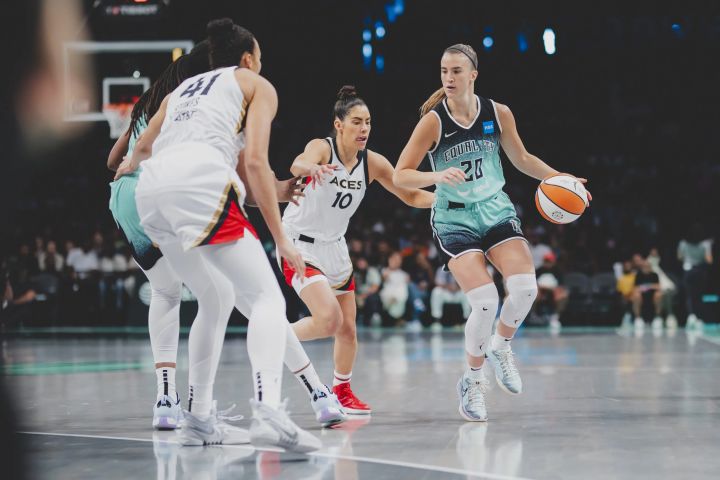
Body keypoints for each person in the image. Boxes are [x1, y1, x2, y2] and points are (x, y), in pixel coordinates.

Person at [108, 22, 343, 431]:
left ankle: (186, 409)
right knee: (264, 300)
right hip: (195, 186)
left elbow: (133, 151)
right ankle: (281, 403)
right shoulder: (250, 86)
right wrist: (281, 237)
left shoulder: (178, 94)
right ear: (248, 59)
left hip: (143, 192)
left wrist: (130, 164)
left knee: (204, 296)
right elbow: (251, 167)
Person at [393, 44, 591, 422]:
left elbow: (522, 159)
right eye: (443, 71)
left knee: (525, 290)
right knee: (485, 301)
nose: (448, 78)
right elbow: (402, 174)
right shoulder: (433, 122)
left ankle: (501, 345)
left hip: (494, 209)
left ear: (473, 75)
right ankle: (471, 379)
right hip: (454, 217)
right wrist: (437, 176)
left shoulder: (498, 113)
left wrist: (561, 178)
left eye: (455, 71)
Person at [279, 86, 435, 414]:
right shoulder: (322, 148)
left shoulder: (373, 163)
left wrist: (447, 202)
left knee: (348, 328)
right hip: (299, 243)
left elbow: (409, 194)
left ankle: (342, 392)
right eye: (356, 122)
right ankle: (270, 338)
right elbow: (298, 164)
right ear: (339, 125)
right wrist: (313, 169)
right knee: (328, 320)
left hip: (335, 246)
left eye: (368, 122)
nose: (364, 129)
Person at [677, 223, 713, 329]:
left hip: (688, 270)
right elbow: (709, 260)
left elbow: (679, 257)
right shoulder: (705, 244)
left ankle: (692, 316)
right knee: (697, 295)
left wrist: (689, 257)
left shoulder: (683, 243)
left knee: (690, 295)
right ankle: (696, 317)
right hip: (699, 271)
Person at [630, 254, 663, 332]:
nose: (646, 267)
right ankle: (638, 318)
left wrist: (647, 287)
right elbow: (635, 288)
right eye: (645, 266)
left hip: (652, 295)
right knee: (636, 295)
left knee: (659, 295)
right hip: (641, 296)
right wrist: (645, 288)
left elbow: (658, 286)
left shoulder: (654, 275)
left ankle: (657, 318)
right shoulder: (638, 275)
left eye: (648, 266)